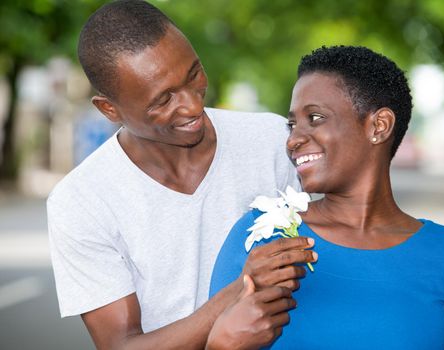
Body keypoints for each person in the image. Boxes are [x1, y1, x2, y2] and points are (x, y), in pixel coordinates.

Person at [47, 1, 317, 349]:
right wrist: (239, 291)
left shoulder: (273, 141)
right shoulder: (80, 202)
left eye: (193, 75)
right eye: (162, 100)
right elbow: (120, 345)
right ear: (109, 109)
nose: (192, 106)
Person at [209, 45, 444, 349]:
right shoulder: (262, 237)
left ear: (378, 126)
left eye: (315, 118)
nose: (293, 140)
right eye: (292, 124)